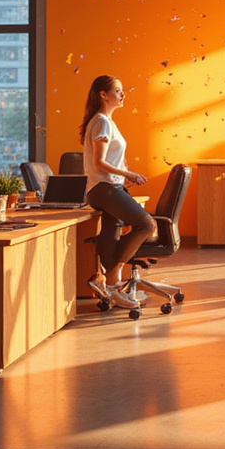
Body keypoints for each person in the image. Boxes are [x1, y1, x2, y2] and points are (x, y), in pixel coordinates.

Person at [80, 75, 156, 309]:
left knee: (111, 233)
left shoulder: (106, 122)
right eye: (118, 91)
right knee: (146, 224)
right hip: (104, 188)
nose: (123, 95)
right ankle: (106, 277)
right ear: (103, 95)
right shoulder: (101, 121)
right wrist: (128, 174)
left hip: (107, 186)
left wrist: (123, 176)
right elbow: (100, 162)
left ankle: (111, 288)